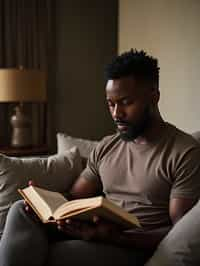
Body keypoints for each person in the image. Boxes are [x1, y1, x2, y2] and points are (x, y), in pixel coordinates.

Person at [1, 49, 200, 266]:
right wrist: (44, 200)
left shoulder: (184, 152)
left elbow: (180, 234)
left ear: (154, 96)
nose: (116, 113)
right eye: (110, 103)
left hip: (131, 245)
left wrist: (117, 237)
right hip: (96, 231)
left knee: (59, 255)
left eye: (125, 102)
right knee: (20, 209)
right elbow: (75, 198)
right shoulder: (107, 146)